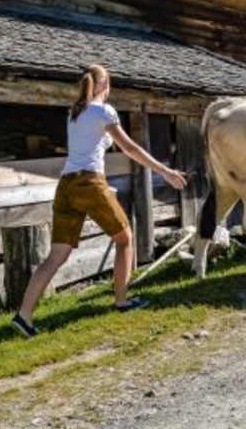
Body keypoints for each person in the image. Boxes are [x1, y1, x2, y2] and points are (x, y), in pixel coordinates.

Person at [12, 64, 188, 337]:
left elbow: (96, 143)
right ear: (105, 87)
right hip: (90, 182)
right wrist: (165, 171)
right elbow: (130, 147)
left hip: (67, 185)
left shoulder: (75, 114)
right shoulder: (104, 111)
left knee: (56, 256)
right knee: (125, 238)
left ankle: (23, 316)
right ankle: (122, 300)